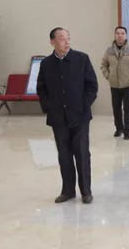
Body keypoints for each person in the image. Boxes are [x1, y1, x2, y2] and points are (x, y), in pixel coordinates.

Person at [37, 28, 98, 204]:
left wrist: (84, 106)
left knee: (82, 154)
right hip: (58, 118)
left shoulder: (82, 59)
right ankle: (68, 191)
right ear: (52, 42)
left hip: (80, 116)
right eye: (62, 39)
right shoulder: (46, 64)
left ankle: (86, 191)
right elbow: (41, 89)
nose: (66, 42)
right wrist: (49, 108)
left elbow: (92, 86)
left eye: (68, 38)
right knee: (64, 155)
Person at [100, 26, 129, 140]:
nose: (120, 35)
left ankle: (127, 131)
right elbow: (103, 65)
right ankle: (119, 128)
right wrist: (108, 76)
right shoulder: (109, 51)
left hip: (128, 84)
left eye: (122, 33)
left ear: (126, 36)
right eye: (118, 33)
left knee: (127, 109)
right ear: (115, 35)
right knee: (116, 108)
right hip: (114, 85)